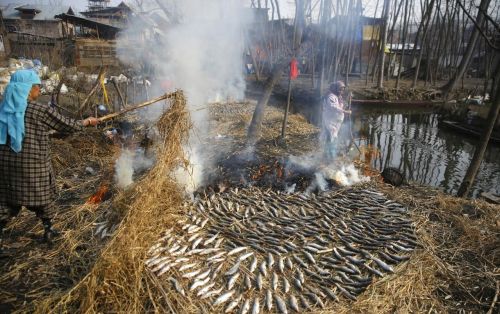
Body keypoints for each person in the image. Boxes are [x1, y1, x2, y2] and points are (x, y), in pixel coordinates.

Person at [0, 70, 99, 247]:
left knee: (8, 200)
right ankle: (48, 230)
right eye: (37, 86)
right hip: (32, 164)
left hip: (6, 165)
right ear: (27, 89)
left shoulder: (4, 108)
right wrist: (86, 122)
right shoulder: (39, 109)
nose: (40, 89)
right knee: (42, 197)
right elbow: (66, 125)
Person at [321, 81, 351, 161]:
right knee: (332, 136)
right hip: (330, 120)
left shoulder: (338, 96)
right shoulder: (331, 96)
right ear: (335, 88)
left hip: (336, 121)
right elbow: (333, 107)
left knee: (332, 137)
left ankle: (328, 154)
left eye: (342, 89)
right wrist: (345, 111)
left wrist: (345, 105)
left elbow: (340, 106)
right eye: (340, 89)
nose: (341, 91)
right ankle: (330, 156)